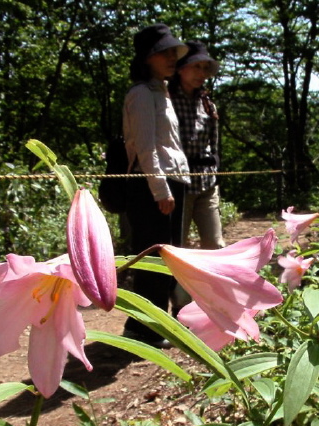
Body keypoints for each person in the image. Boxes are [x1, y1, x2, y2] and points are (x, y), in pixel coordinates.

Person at [122, 24, 190, 345]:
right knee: (153, 259)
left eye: (173, 52)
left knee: (167, 257)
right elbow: (146, 147)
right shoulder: (140, 94)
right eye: (163, 52)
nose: (171, 58)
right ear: (147, 58)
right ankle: (144, 328)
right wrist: (161, 190)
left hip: (171, 182)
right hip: (152, 188)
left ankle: (149, 325)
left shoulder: (161, 91)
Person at [168, 41, 226, 250]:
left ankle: (216, 283)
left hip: (206, 184)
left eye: (204, 68)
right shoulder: (167, 100)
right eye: (196, 66)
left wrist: (216, 172)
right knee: (177, 245)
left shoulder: (208, 105)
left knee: (215, 243)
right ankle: (177, 284)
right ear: (181, 69)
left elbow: (214, 145)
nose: (201, 73)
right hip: (177, 185)